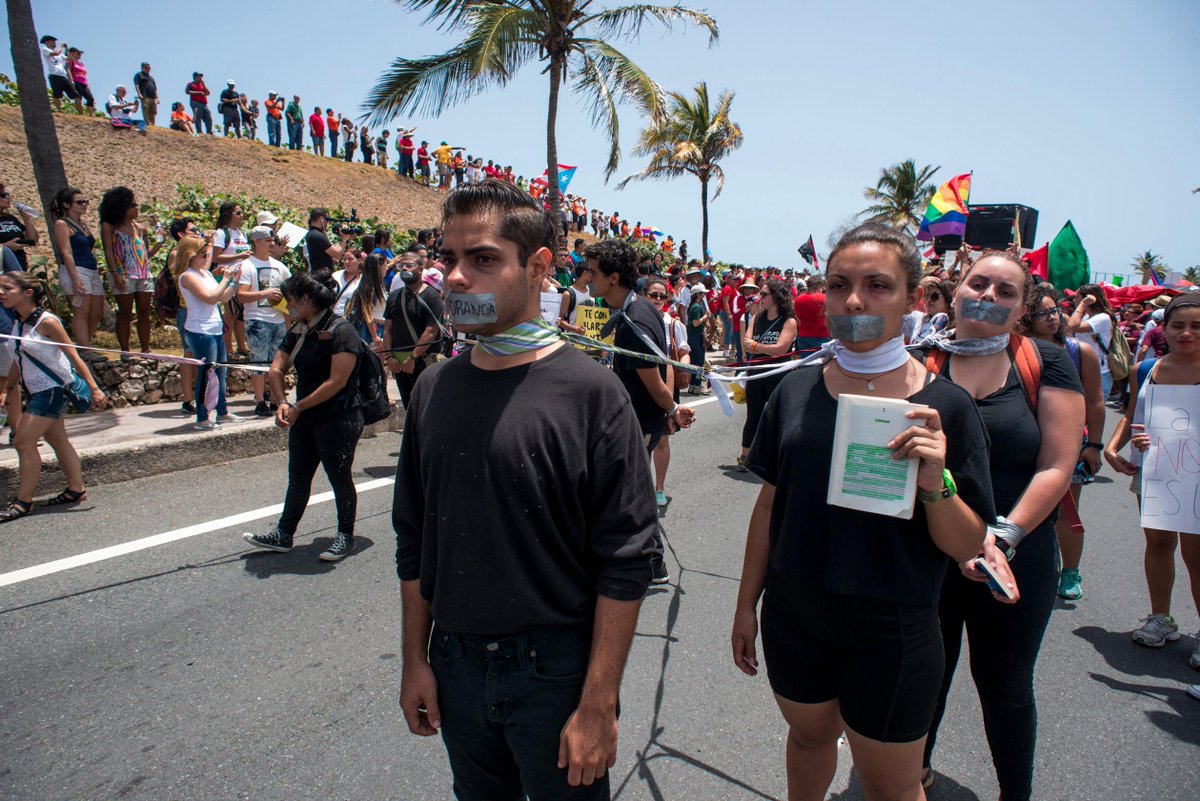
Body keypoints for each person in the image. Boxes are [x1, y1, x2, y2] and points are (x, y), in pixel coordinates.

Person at [393, 180, 654, 799]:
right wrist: (416, 660)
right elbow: (414, 538)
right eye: (448, 259)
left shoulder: (592, 393)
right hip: (455, 662)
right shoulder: (434, 389)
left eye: (482, 259)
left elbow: (626, 560)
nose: (455, 278)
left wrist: (597, 705)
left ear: (538, 268)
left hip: (555, 673)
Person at [731, 223, 996, 801]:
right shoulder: (795, 390)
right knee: (806, 741)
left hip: (892, 626)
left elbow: (966, 545)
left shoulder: (945, 404)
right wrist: (746, 604)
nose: (854, 300)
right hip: (796, 613)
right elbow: (769, 505)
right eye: (838, 285)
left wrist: (936, 482)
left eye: (877, 285)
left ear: (913, 297)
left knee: (891, 785)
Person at [921, 251, 1084, 801]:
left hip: (1017, 553)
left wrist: (1000, 538)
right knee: (924, 677)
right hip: (929, 553)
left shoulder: (1047, 361)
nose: (989, 295)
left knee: (1006, 688)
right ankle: (908, 777)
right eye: (978, 283)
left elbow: (1058, 466)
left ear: (1022, 309)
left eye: (1005, 291)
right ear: (956, 289)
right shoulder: (918, 360)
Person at [587, 238, 695, 583]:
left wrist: (673, 408)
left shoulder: (636, 318)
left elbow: (654, 381)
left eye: (592, 272)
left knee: (629, 494)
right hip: (638, 415)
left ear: (613, 277)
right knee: (629, 491)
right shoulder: (638, 310)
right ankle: (650, 563)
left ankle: (650, 563)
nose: (587, 278)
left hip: (640, 419)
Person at [1104, 293, 1200, 667]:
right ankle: (1161, 616)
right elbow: (1131, 416)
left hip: (1194, 475)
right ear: (1165, 329)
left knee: (1196, 554)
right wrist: (1113, 448)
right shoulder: (1146, 368)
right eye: (1178, 326)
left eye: (1196, 326)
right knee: (1158, 543)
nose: (1187, 333)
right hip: (1157, 471)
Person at [243, 272, 365, 562]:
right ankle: (284, 534)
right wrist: (282, 402)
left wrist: (298, 406)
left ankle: (344, 535)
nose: (288, 305)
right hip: (305, 414)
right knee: (298, 477)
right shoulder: (300, 328)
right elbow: (276, 367)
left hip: (340, 415)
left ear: (307, 299)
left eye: (292, 299)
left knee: (339, 476)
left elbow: (336, 381)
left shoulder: (341, 330)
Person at [0, 272, 107, 523]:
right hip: (36, 390)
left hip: (52, 390)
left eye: (7, 288)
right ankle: (76, 489)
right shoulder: (19, 321)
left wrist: (94, 387)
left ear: (27, 293)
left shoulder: (47, 322)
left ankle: (23, 502)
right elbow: (18, 359)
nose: (1, 293)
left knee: (23, 442)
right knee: (58, 439)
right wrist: (7, 389)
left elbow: (73, 356)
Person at [1020, 283, 1105, 601]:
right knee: (1023, 509)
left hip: (1070, 443)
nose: (1051, 317)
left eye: (1054, 310)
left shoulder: (1079, 351)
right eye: (1041, 313)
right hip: (1025, 444)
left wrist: (1093, 445)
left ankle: (1070, 572)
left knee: (1068, 512)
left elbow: (1095, 401)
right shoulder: (1016, 351)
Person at [175, 234, 242, 430]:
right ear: (190, 255)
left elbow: (224, 297)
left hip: (214, 328)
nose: (206, 258)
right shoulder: (187, 276)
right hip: (199, 331)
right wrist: (226, 278)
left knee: (221, 372)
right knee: (206, 374)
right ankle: (202, 418)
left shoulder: (206, 274)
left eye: (207, 254)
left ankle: (222, 412)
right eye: (202, 254)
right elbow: (210, 298)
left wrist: (234, 281)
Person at [737, 278, 798, 472]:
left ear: (776, 297)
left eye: (764, 294)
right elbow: (746, 342)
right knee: (753, 415)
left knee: (776, 417)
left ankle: (776, 457)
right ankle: (745, 455)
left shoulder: (789, 321)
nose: (759, 297)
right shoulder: (757, 318)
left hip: (777, 374)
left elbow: (781, 349)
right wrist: (762, 348)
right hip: (756, 373)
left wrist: (757, 346)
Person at [645, 277, 692, 508]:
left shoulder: (673, 324)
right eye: (653, 294)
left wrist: (683, 364)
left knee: (662, 439)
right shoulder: (637, 321)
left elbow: (684, 351)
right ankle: (642, 487)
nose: (657, 299)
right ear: (644, 296)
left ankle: (658, 489)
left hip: (667, 383)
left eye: (662, 296)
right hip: (642, 384)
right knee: (643, 441)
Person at [99, 187, 160, 354]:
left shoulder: (140, 228)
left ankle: (145, 349)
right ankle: (125, 350)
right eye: (132, 205)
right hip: (123, 273)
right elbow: (108, 251)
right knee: (124, 313)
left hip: (143, 274)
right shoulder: (110, 227)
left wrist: (159, 244)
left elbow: (145, 255)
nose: (136, 208)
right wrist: (114, 273)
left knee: (144, 312)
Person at [238, 226, 292, 416]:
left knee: (275, 362)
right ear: (256, 241)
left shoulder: (278, 266)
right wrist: (265, 293)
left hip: (277, 320)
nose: (271, 244)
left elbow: (290, 288)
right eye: (268, 241)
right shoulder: (247, 266)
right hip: (257, 320)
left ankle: (275, 398)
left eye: (272, 240)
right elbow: (241, 295)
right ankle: (260, 400)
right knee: (259, 362)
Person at [381, 251, 443, 408]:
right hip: (398, 361)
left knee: (425, 405)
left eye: (409, 265)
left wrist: (413, 358)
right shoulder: (394, 296)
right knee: (409, 405)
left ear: (420, 269)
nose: (404, 269)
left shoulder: (432, 297)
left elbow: (430, 331)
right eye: (401, 266)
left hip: (422, 360)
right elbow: (388, 329)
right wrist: (389, 356)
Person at [50, 187, 103, 346]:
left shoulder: (82, 224)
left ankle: (85, 342)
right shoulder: (62, 224)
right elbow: (66, 252)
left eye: (85, 201)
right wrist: (75, 279)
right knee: (81, 312)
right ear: (66, 205)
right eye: (79, 202)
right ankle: (85, 349)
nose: (84, 205)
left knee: (97, 312)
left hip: (91, 270)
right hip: (76, 270)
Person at [163, 218, 199, 414]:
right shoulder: (176, 255)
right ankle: (187, 399)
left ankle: (199, 397)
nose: (198, 232)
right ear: (181, 235)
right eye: (193, 230)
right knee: (189, 354)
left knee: (200, 356)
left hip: (200, 309)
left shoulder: (197, 254)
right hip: (186, 310)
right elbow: (183, 280)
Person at [211, 202, 251, 359]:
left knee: (240, 313)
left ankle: (241, 345)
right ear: (229, 215)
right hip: (227, 276)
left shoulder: (241, 234)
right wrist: (239, 256)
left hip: (242, 276)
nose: (242, 216)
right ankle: (227, 347)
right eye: (238, 213)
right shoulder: (221, 233)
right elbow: (217, 256)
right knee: (230, 313)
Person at [1066, 283, 1117, 404]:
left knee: (1093, 417)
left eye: (1077, 297)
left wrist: (1082, 304)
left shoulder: (1103, 318)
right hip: (1081, 372)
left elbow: (1073, 326)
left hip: (1098, 375)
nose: (1074, 300)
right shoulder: (1086, 317)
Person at [0, 183, 38, 270]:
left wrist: (26, 219)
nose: (8, 197)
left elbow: (33, 239)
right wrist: (5, 247)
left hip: (19, 265)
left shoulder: (10, 218)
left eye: (7, 194)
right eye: (3, 195)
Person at [39, 35, 80, 113]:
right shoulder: (45, 49)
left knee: (76, 95)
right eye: (52, 41)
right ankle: (60, 111)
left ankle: (80, 113)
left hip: (63, 76)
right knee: (57, 95)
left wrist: (66, 49)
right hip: (54, 75)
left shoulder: (59, 53)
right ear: (46, 42)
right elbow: (56, 53)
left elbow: (71, 59)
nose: (54, 43)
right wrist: (61, 46)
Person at [685, 283, 711, 395]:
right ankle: (698, 385)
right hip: (696, 337)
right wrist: (706, 316)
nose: (704, 295)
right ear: (698, 294)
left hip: (691, 336)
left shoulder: (692, 306)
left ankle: (693, 385)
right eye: (703, 293)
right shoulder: (697, 307)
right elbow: (696, 323)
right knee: (699, 362)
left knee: (693, 361)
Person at [554, 258, 593, 335]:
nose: (593, 275)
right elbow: (559, 320)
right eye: (591, 272)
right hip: (573, 340)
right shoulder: (568, 294)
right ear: (585, 274)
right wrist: (574, 329)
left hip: (588, 341)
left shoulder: (592, 292)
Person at [792, 275, 829, 353]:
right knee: (821, 363)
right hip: (820, 335)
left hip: (802, 336)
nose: (822, 289)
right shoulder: (824, 298)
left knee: (805, 363)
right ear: (817, 286)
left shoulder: (798, 299)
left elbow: (797, 318)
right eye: (821, 287)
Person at [304, 208, 344, 274]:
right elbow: (337, 254)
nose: (327, 223)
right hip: (322, 277)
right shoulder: (317, 235)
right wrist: (344, 239)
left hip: (319, 274)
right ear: (321, 219)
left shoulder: (312, 234)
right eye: (327, 220)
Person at [332, 249, 363, 318]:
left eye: (350, 259)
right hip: (331, 317)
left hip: (348, 320)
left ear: (359, 260)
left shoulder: (363, 280)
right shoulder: (335, 276)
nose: (346, 262)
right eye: (344, 259)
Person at [65, 48, 94, 112]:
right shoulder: (70, 61)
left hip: (83, 83)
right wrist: (71, 80)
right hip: (76, 81)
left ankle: (91, 115)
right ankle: (80, 113)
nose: (80, 55)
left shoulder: (81, 64)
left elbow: (84, 75)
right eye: (78, 53)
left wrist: (87, 84)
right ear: (71, 53)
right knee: (78, 98)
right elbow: (68, 70)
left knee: (90, 98)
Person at [133, 62, 157, 126]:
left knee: (153, 111)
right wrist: (139, 93)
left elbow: (155, 88)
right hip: (145, 96)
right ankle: (147, 122)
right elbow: (136, 84)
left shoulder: (151, 78)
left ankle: (152, 123)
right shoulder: (139, 75)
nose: (148, 69)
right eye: (146, 67)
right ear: (142, 68)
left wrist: (156, 98)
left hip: (152, 97)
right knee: (146, 109)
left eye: (149, 68)